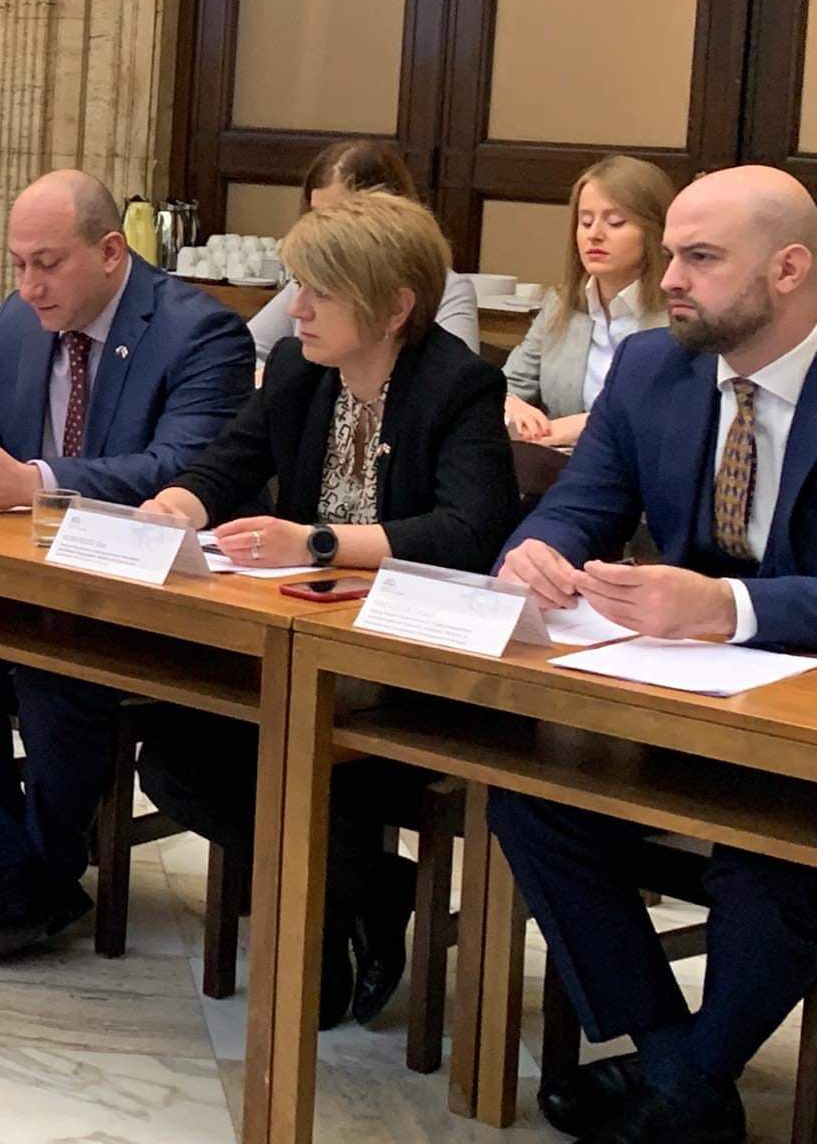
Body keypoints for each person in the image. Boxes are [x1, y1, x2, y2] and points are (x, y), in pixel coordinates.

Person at [0, 170, 255, 961]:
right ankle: (12, 873)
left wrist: (39, 481)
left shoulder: (199, 332)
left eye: (48, 264)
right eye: (18, 264)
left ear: (111, 251)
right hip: (28, 577)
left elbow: (183, 465)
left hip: (141, 596)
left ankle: (40, 865)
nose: (29, 286)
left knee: (52, 664)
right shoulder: (18, 319)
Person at [488, 166, 817, 1144]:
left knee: (775, 861)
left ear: (789, 269)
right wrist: (531, 556)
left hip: (800, 713)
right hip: (683, 694)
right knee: (530, 792)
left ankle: (681, 1083)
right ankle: (679, 1068)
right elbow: (572, 510)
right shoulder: (650, 368)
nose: (668, 278)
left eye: (699, 258)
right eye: (669, 253)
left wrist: (729, 605)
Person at [138, 192, 519, 1028]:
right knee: (172, 755)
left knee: (317, 769)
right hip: (298, 646)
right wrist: (172, 508)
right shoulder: (300, 371)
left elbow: (468, 531)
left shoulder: (457, 384)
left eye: (320, 292)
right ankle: (373, 889)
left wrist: (318, 543)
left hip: (412, 664)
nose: (297, 310)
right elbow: (224, 466)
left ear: (394, 307)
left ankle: (318, 934)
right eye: (297, 287)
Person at [245, 139, 481, 361]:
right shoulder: (308, 284)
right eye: (317, 214)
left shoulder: (449, 290)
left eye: (342, 215)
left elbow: (457, 377)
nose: (323, 228)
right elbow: (245, 351)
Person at [504, 155, 674, 447]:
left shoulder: (680, 313)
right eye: (585, 222)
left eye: (615, 222)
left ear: (654, 231)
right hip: (558, 462)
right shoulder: (560, 304)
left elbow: (668, 411)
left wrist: (576, 428)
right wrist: (511, 404)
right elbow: (508, 385)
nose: (594, 235)